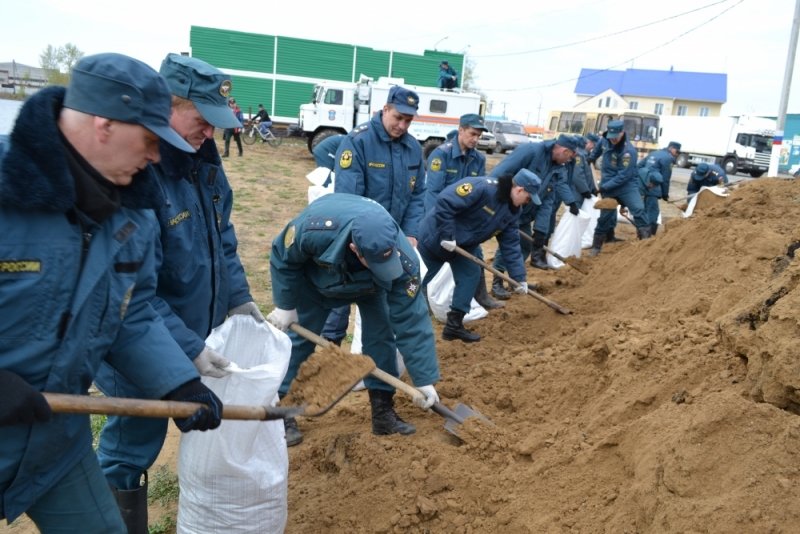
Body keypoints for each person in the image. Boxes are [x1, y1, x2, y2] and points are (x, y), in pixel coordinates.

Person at [0, 52, 223, 534]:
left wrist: (179, 383)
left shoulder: (133, 211)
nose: (156, 157)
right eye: (147, 140)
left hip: (55, 440)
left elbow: (132, 313)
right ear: (104, 123)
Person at [92, 53, 262, 533]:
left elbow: (222, 240)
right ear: (167, 105)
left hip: (191, 327)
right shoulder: (138, 175)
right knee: (133, 443)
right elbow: (130, 294)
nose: (212, 132)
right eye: (202, 119)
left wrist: (238, 298)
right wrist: (186, 351)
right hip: (138, 344)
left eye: (216, 122)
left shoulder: (204, 166)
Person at [267, 193, 440, 441]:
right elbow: (283, 257)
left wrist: (424, 379)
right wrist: (285, 305)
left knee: (381, 338)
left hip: (372, 286)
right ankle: (282, 412)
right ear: (355, 249)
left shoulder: (404, 263)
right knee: (300, 340)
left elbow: (412, 321)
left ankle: (382, 411)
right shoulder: (314, 229)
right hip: (317, 282)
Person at [315, 85, 425, 362]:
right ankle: (329, 353)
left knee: (383, 296)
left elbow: (418, 195)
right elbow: (349, 199)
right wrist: (359, 243)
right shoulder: (358, 142)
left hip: (395, 237)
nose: (402, 125)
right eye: (398, 117)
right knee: (342, 291)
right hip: (356, 237)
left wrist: (410, 233)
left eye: (408, 120)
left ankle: (373, 358)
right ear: (385, 109)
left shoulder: (413, 148)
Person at [417, 169, 542, 342]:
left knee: (470, 275)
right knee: (417, 279)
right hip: (436, 238)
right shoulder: (482, 188)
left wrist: (519, 278)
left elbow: (511, 244)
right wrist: (447, 235)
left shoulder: (513, 211)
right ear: (519, 190)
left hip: (464, 246)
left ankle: (454, 325)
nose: (527, 203)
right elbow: (445, 202)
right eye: (528, 198)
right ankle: (400, 318)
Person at [425, 113, 502, 310]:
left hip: (466, 221)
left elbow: (481, 191)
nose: (475, 139)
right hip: (441, 218)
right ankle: (423, 302)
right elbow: (434, 194)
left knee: (475, 257)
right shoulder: (441, 155)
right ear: (460, 130)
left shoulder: (478, 159)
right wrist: (439, 227)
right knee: (431, 262)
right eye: (472, 134)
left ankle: (481, 296)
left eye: (478, 135)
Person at [490, 133, 579, 277]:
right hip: (509, 206)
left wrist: (540, 231)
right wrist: (496, 203)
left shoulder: (557, 168)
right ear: (564, 151)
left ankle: (516, 281)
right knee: (510, 244)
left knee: (525, 245)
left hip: (525, 213)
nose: (568, 162)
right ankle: (497, 280)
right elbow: (499, 173)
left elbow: (548, 200)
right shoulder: (531, 151)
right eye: (569, 158)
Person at [586, 119, 649, 256]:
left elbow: (623, 176)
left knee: (638, 209)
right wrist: (590, 158)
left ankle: (646, 243)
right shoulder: (604, 140)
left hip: (626, 185)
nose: (613, 140)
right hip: (608, 186)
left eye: (616, 137)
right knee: (605, 216)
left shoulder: (628, 152)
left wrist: (602, 188)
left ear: (622, 133)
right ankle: (596, 247)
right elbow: (597, 150)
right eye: (611, 136)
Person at [637, 141, 681, 235]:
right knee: (652, 212)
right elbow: (665, 178)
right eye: (677, 152)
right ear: (672, 148)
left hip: (642, 186)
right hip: (653, 187)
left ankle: (640, 233)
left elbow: (639, 166)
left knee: (643, 210)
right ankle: (647, 236)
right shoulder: (668, 158)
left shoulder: (654, 153)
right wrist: (665, 194)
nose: (676, 155)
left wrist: (642, 180)